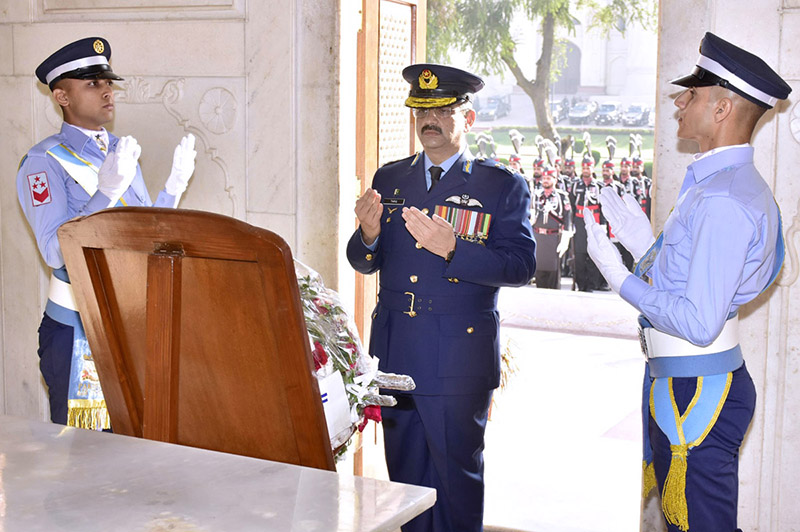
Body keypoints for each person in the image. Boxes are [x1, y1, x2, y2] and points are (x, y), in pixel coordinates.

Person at [585, 32, 790, 532]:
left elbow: (698, 321)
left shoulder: (722, 199)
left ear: (722, 109)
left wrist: (619, 278)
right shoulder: (714, 184)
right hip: (680, 378)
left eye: (692, 94)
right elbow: (691, 279)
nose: (679, 102)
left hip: (697, 386)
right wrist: (642, 245)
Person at [347, 63, 536, 532]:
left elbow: (520, 266)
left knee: (455, 480)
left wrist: (455, 249)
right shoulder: (391, 178)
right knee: (405, 481)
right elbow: (363, 259)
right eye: (422, 111)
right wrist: (368, 235)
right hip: (396, 348)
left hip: (456, 352)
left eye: (443, 110)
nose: (429, 121)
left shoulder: (498, 185)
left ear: (468, 119)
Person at [16, 37, 197, 428]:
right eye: (92, 84)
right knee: (85, 456)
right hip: (81, 327)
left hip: (131, 319)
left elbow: (142, 234)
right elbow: (54, 251)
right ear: (62, 96)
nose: (106, 91)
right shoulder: (43, 162)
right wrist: (105, 192)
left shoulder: (118, 148)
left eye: (108, 83)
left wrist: (172, 190)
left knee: (134, 446)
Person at [531, 166, 572, 289]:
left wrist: (565, 239)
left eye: (548, 178)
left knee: (553, 272)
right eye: (544, 178)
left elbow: (567, 217)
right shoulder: (536, 195)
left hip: (554, 238)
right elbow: (530, 215)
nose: (545, 180)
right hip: (539, 237)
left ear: (555, 180)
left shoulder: (562, 196)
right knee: (540, 269)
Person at [568, 155, 604, 291]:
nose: (586, 170)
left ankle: (592, 284)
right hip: (579, 222)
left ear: (593, 168)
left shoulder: (599, 186)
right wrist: (570, 224)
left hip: (594, 223)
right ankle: (581, 284)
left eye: (588, 167)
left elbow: (603, 208)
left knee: (593, 254)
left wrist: (603, 225)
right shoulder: (575, 185)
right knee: (579, 255)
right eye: (583, 167)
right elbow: (571, 206)